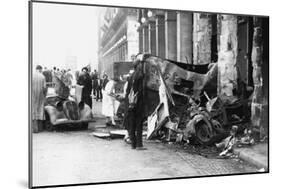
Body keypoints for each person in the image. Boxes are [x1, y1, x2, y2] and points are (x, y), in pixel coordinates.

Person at [127, 60, 146, 150]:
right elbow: (141, 91)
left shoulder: (131, 76)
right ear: (138, 66)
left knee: (132, 124)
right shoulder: (140, 76)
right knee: (139, 124)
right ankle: (139, 145)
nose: (141, 66)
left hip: (131, 103)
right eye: (140, 64)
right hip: (138, 103)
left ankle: (133, 144)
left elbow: (128, 91)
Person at [32, 65, 47, 133]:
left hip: (32, 96)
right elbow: (44, 88)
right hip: (40, 96)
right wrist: (45, 95)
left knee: (33, 110)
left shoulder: (31, 75)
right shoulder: (42, 76)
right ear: (40, 69)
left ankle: (33, 128)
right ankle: (40, 128)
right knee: (40, 110)